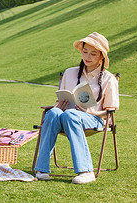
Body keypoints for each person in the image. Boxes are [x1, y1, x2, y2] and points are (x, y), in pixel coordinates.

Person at [34, 32, 119, 184]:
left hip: (95, 119)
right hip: (67, 116)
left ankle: (87, 171)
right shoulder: (70, 73)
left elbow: (110, 112)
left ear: (101, 57)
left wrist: (90, 111)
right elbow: (59, 101)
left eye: (93, 54)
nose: (87, 56)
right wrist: (58, 106)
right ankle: (41, 168)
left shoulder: (109, 79)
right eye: (85, 52)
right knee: (54, 112)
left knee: (70, 115)